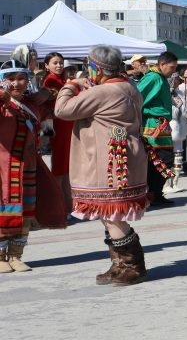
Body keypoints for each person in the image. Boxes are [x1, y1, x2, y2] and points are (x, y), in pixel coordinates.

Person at [55, 45, 150, 285]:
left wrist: (72, 85)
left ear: (97, 68)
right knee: (109, 213)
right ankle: (119, 263)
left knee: (112, 214)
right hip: (124, 151)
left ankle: (132, 265)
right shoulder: (130, 86)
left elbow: (62, 110)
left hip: (109, 159)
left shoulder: (101, 92)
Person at [0, 63, 66, 273]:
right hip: (3, 168)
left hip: (28, 166)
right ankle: (1, 256)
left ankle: (17, 255)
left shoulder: (32, 104)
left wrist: (46, 91)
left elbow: (59, 103)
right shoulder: (3, 104)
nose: (17, 83)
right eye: (12, 78)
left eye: (21, 78)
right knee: (5, 209)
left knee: (26, 211)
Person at [137, 52, 179, 206]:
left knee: (162, 159)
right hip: (153, 127)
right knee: (160, 159)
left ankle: (155, 194)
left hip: (161, 125)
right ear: (162, 64)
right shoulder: (153, 78)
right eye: (172, 67)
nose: (174, 71)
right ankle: (153, 194)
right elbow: (136, 96)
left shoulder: (159, 78)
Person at [38, 51, 74, 207]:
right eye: (55, 63)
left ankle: (68, 204)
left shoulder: (62, 79)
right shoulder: (51, 81)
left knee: (66, 168)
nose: (59, 65)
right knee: (60, 168)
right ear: (47, 66)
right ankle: (59, 205)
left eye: (60, 62)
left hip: (67, 125)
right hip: (59, 126)